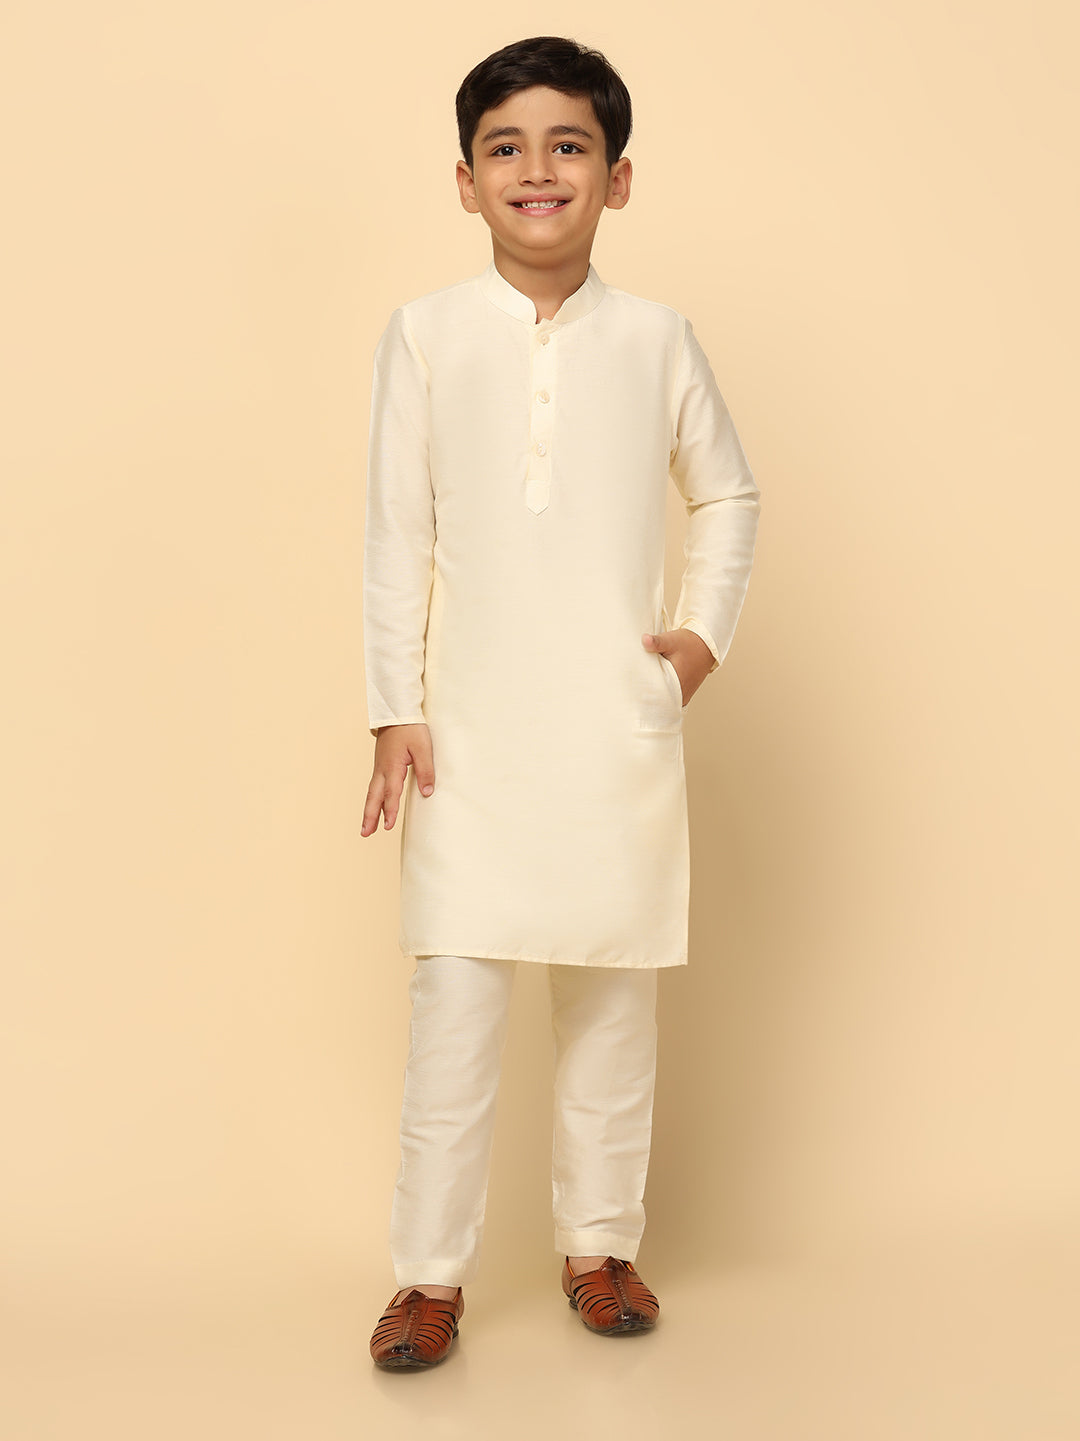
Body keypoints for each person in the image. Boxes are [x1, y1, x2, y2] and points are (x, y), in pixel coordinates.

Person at [360, 34, 761, 1370]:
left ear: (618, 178)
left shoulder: (657, 339)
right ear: (465, 180)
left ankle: (600, 1249)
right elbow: (396, 533)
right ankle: (428, 1277)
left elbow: (729, 492)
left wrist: (695, 640)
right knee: (455, 1015)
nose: (538, 170)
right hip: (467, 737)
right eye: (506, 148)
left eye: (569, 145)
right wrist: (395, 704)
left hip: (610, 730)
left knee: (610, 1005)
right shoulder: (424, 334)